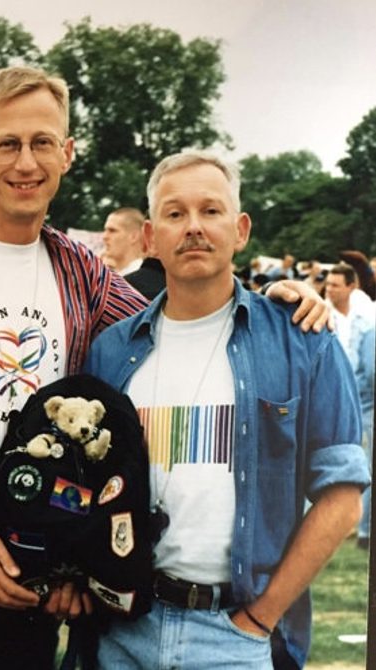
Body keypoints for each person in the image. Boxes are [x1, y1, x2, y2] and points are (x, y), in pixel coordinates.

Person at [0, 66, 330, 670]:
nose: (26, 162)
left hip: (30, 578)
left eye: (42, 142)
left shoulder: (80, 273)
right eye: (7, 144)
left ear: (67, 153)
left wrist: (276, 301)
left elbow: (179, 316)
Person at [84, 150, 369, 670]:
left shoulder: (302, 341)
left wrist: (260, 617)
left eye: (211, 210)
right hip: (125, 631)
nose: (193, 226)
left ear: (240, 230)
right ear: (150, 238)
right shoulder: (111, 352)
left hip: (235, 636)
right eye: (175, 213)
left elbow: (343, 497)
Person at [325, 264, 375, 550]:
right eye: (328, 284)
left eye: (335, 285)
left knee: (363, 463)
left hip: (361, 398)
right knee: (329, 461)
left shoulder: (365, 316)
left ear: (351, 287)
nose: (329, 290)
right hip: (330, 396)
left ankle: (363, 529)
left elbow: (369, 365)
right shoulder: (321, 312)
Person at [102, 207, 145, 275]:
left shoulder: (144, 277)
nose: (104, 237)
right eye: (105, 230)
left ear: (134, 236)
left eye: (112, 231)